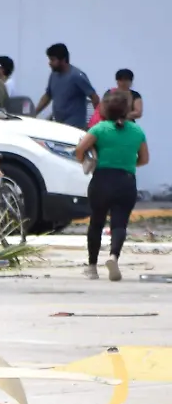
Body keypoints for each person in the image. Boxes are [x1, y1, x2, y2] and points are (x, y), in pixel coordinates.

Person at [75, 90, 148, 282]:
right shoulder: (137, 131)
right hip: (126, 181)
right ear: (127, 110)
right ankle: (113, 256)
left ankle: (92, 267)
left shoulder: (99, 129)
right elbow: (144, 159)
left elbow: (79, 150)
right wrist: (127, 163)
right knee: (119, 223)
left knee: (96, 223)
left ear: (105, 110)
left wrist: (86, 160)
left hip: (101, 180)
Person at [34, 43, 99, 129]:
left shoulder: (77, 76)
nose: (49, 63)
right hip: (59, 125)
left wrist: (96, 121)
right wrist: (34, 112)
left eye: (53, 60)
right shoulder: (54, 74)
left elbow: (94, 97)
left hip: (75, 127)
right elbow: (48, 95)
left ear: (63, 59)